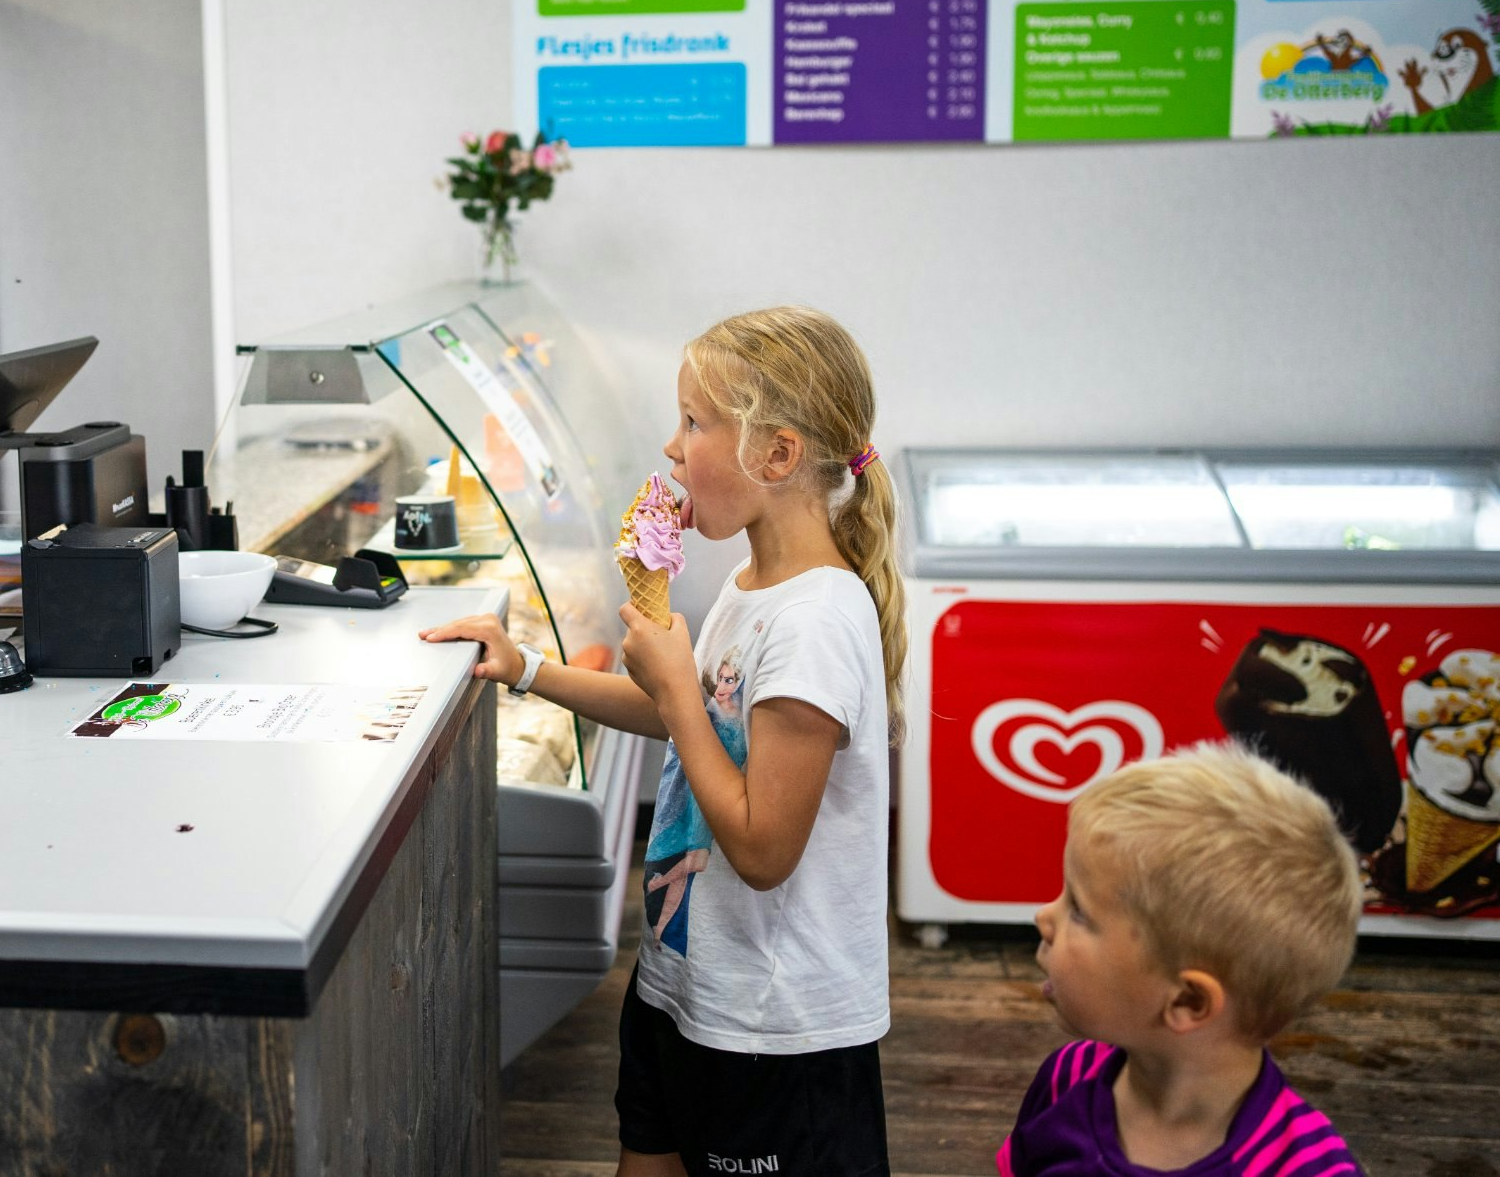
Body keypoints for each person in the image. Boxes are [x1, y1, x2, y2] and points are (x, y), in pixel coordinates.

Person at [423, 306, 905, 1175]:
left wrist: (681, 688)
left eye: (695, 422)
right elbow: (685, 717)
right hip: (685, 984)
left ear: (779, 454)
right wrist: (527, 665)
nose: (673, 448)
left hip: (774, 1031)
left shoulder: (818, 621)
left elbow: (763, 847)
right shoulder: (754, 581)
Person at [1003, 742, 1365, 1175]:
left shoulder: (1309, 1169)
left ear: (1187, 1001)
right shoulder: (1068, 1077)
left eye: (1079, 909)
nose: (1044, 917)